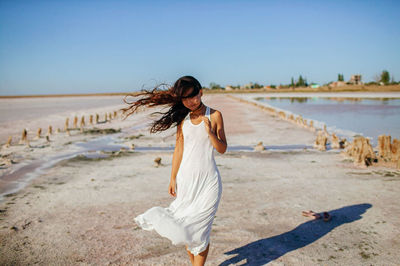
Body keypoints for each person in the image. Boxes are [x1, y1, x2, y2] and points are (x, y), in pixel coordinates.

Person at [123, 76, 227, 265]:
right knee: (186, 229)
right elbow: (178, 149)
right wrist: (172, 178)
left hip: (209, 182)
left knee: (201, 230)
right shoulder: (183, 119)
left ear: (201, 92)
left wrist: (211, 134)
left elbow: (222, 148)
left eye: (193, 96)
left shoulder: (215, 115)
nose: (190, 101)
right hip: (186, 180)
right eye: (185, 99)